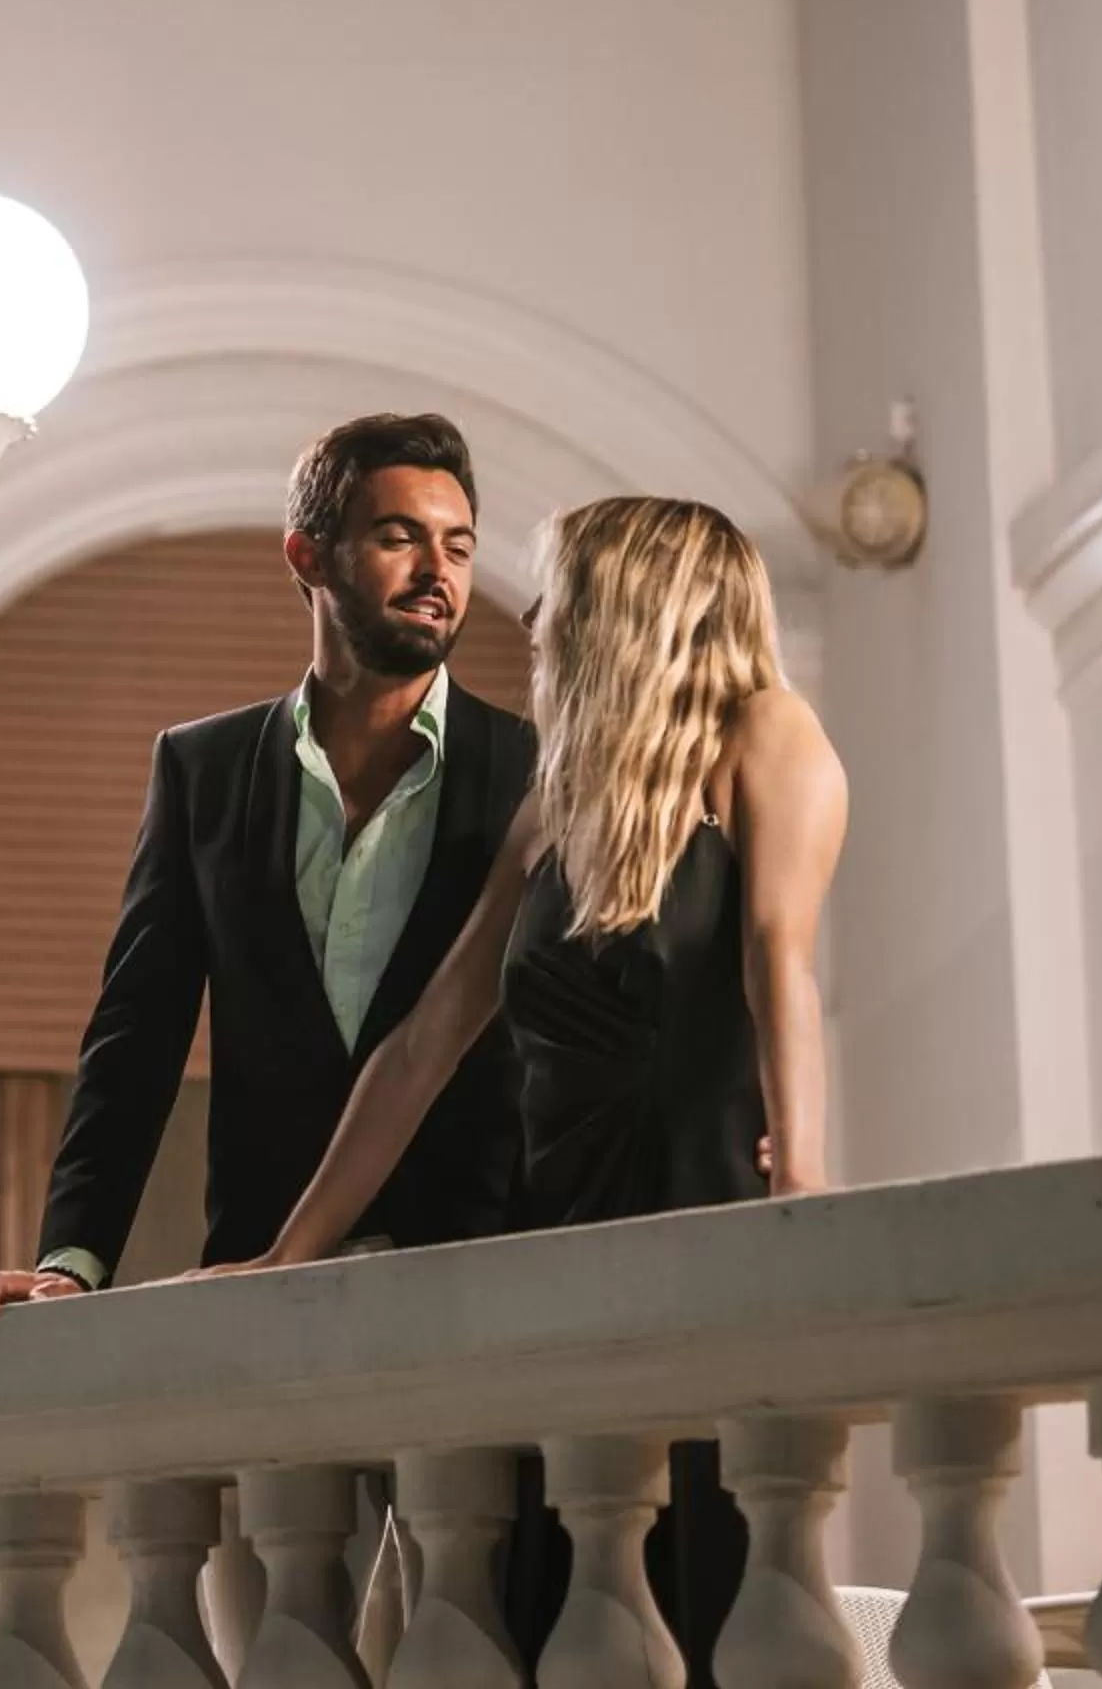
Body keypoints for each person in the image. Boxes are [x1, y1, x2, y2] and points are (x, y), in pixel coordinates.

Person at [186, 493, 848, 1689]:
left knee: (702, 1586)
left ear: (628, 601)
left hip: (699, 1221)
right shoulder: (558, 798)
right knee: (558, 1598)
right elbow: (423, 1042)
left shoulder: (769, 734)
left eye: (561, 589)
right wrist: (287, 1253)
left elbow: (778, 960)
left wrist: (799, 1192)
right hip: (554, 1242)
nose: (533, 616)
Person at [0, 412, 540, 1330]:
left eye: (457, 546)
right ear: (309, 557)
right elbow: (134, 1040)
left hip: (483, 1280)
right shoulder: (200, 771)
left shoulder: (534, 771)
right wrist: (74, 1263)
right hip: (261, 1279)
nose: (436, 572)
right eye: (398, 537)